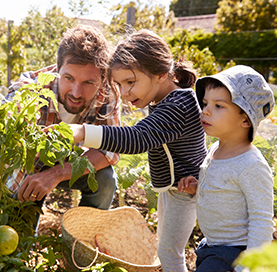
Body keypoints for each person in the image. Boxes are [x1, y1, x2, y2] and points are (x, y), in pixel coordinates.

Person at [65, 29, 207, 272]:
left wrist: (81, 132)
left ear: (162, 74)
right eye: (119, 84)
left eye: (131, 82)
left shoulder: (179, 106)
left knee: (169, 253)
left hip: (186, 190)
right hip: (175, 188)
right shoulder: (168, 101)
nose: (124, 92)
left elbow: (137, 138)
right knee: (167, 247)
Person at [5, 25, 121, 223]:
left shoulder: (107, 94)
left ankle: (82, 243)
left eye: (88, 83)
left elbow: (110, 150)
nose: (76, 92)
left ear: (102, 80)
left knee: (105, 180)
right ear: (57, 69)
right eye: (69, 78)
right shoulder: (30, 91)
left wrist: (56, 174)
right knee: (17, 231)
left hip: (72, 162)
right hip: (31, 165)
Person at [178, 65, 275, 272]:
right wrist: (199, 187)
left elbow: (261, 220)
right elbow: (224, 189)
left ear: (246, 119)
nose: (205, 110)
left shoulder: (251, 165)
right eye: (205, 103)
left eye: (219, 106)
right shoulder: (215, 148)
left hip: (234, 253)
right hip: (210, 245)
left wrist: (249, 267)